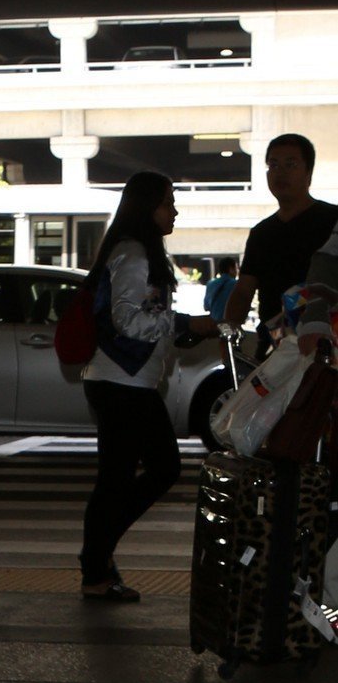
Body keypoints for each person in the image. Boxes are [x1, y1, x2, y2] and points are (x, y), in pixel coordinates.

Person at [79, 171, 218, 602]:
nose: (174, 209)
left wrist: (182, 331)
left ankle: (97, 562)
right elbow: (128, 320)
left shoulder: (138, 251)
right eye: (167, 201)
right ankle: (95, 564)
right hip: (121, 382)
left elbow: (141, 318)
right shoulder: (135, 253)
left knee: (121, 479)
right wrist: (184, 323)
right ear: (147, 207)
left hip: (125, 381)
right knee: (153, 470)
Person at [224, 135, 338, 329]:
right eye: (273, 165)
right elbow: (244, 291)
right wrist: (228, 330)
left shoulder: (334, 221)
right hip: (273, 345)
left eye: (290, 165)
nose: (280, 173)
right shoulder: (261, 233)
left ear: (308, 172)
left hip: (326, 342)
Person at [203, 255, 239, 322]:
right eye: (236, 268)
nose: (237, 271)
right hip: (229, 323)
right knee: (229, 332)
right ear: (231, 269)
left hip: (213, 324)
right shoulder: (236, 284)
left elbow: (206, 307)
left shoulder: (210, 284)